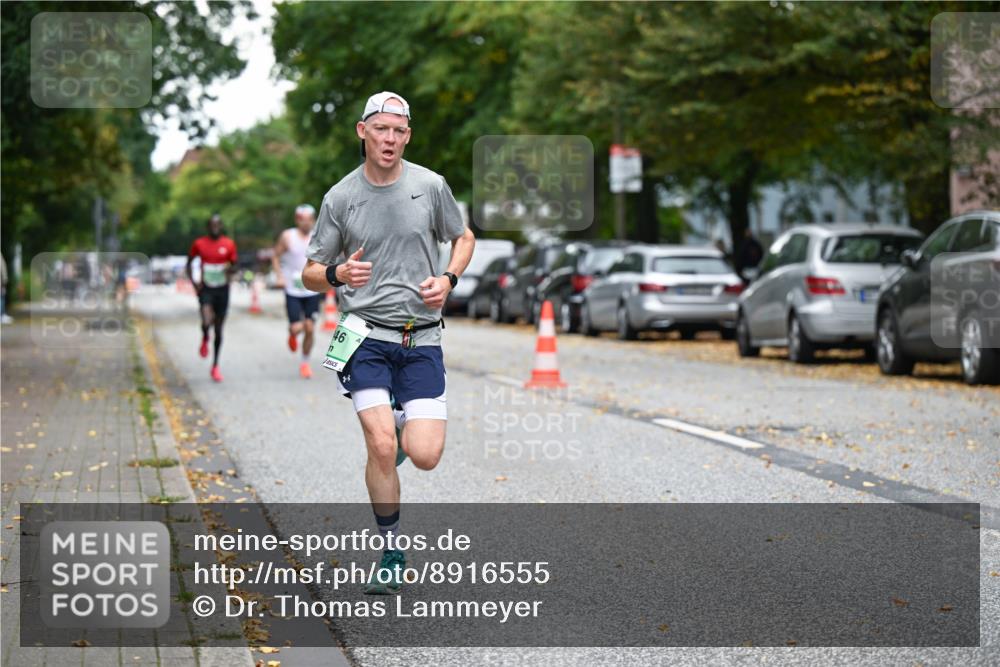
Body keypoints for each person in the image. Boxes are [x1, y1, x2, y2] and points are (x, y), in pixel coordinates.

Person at [302, 91, 475, 594]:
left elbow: (463, 237)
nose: (390, 139)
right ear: (363, 132)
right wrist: (337, 274)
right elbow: (310, 272)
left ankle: (400, 435)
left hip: (421, 337)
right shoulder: (340, 197)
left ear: (408, 136)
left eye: (399, 131)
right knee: (379, 445)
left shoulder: (430, 186)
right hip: (364, 337)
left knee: (424, 454)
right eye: (381, 129)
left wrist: (448, 279)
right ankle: (392, 551)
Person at [186, 214, 238, 382]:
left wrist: (229, 270)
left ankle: (215, 365)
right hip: (206, 288)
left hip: (222, 289)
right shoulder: (199, 243)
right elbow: (189, 264)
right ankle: (205, 336)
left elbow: (235, 266)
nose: (215, 228)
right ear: (208, 227)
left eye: (217, 225)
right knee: (206, 320)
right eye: (212, 225)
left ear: (221, 226)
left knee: (219, 329)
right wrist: (195, 284)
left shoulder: (229, 244)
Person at [272, 204, 321, 378]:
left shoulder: (319, 236)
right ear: (297, 220)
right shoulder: (287, 236)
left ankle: (305, 363)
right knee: (296, 328)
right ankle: (292, 333)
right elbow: (275, 256)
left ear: (314, 220)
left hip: (312, 289)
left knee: (310, 327)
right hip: (292, 289)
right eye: (302, 219)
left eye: (309, 219)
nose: (306, 223)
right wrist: (279, 276)